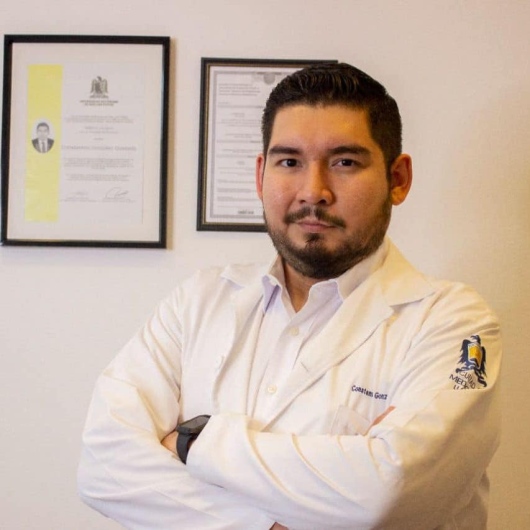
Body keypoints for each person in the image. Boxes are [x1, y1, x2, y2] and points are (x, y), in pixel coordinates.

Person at [78, 63, 501, 530]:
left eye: (345, 162)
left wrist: (193, 443)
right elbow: (103, 467)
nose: (313, 192)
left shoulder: (455, 325)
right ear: (261, 174)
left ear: (397, 179)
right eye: (289, 162)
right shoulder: (197, 302)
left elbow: (390, 492)